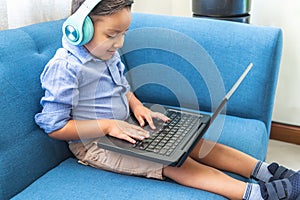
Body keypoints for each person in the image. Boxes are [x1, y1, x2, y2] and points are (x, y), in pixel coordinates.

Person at [35, 0, 300, 199]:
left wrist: (136, 105)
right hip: (95, 144)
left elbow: (121, 88)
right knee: (175, 164)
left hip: (126, 126)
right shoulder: (65, 68)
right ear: (77, 30)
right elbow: (55, 127)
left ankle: (269, 171)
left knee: (197, 143)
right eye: (111, 35)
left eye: (123, 33)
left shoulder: (106, 53)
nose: (119, 43)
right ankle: (257, 194)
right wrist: (106, 126)